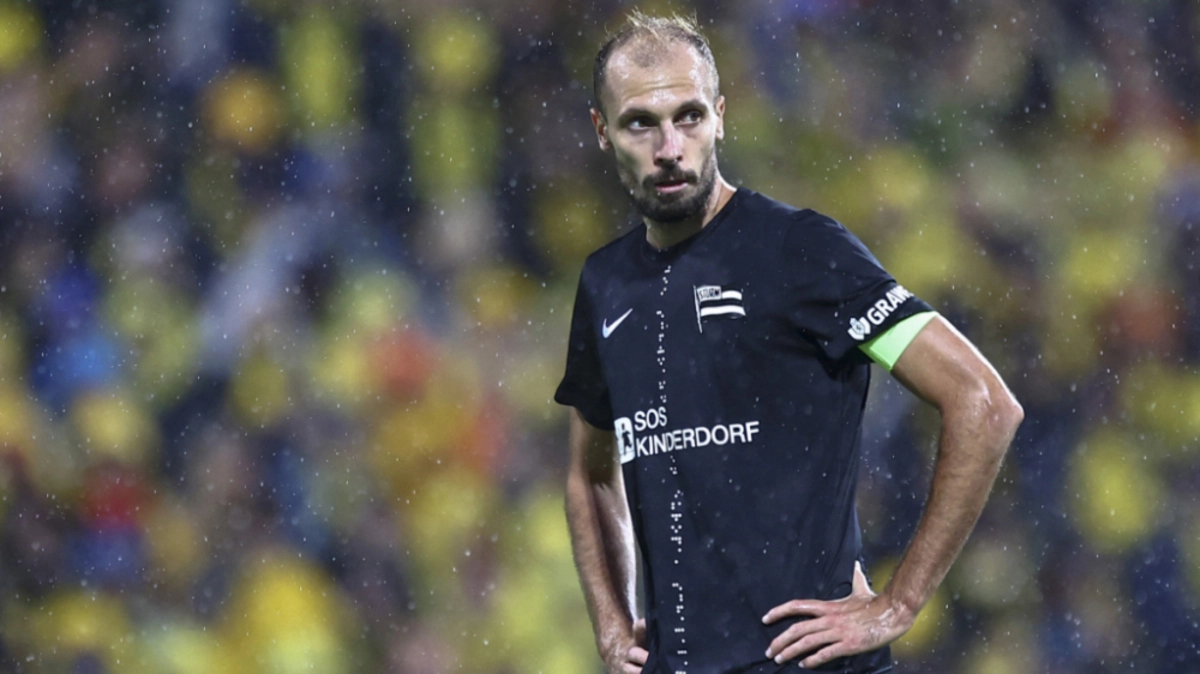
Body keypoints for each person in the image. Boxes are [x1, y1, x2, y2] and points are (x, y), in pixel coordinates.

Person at [555, 12, 1023, 674]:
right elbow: (590, 473)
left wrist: (899, 603)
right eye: (640, 123)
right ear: (602, 131)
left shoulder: (799, 250)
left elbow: (983, 402)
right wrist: (610, 623)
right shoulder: (605, 284)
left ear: (721, 116)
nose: (670, 147)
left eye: (689, 116)